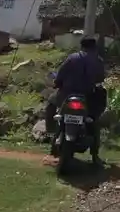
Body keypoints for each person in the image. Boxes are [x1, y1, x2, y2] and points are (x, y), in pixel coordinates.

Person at [45, 36, 107, 164]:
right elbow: (101, 78)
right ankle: (95, 155)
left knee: (51, 105)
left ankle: (51, 135)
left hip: (66, 95)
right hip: (87, 97)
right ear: (94, 47)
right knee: (94, 121)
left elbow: (61, 74)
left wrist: (57, 83)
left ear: (82, 46)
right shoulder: (98, 61)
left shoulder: (72, 58)